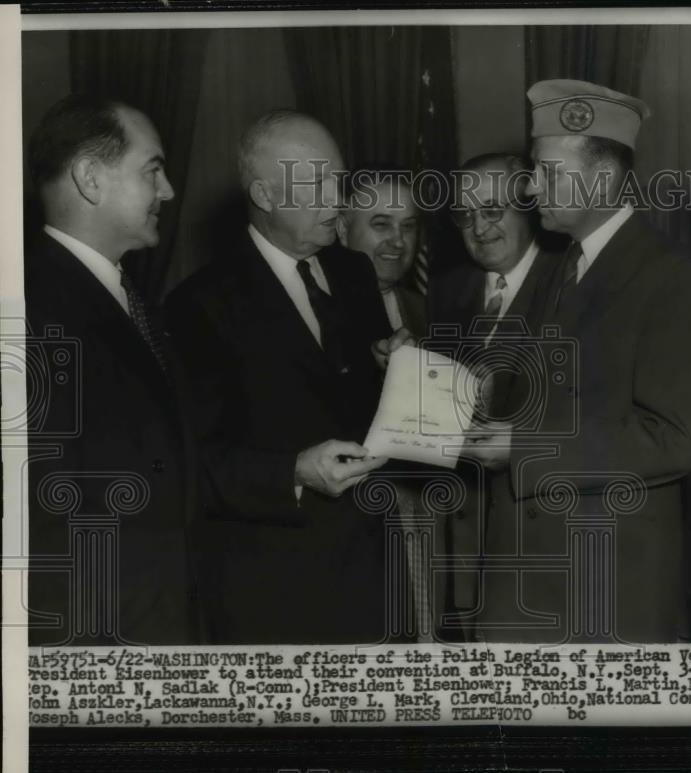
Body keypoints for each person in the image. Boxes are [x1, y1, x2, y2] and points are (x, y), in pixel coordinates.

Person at [463, 80, 691, 643]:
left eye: (548, 172)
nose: (531, 186)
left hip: (602, 590)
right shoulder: (556, 266)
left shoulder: (673, 276)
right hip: (521, 578)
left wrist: (522, 448)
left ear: (603, 179)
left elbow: (671, 438)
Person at [165, 109, 389, 644]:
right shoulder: (198, 305)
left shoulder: (356, 273)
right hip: (272, 587)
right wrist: (292, 471)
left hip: (373, 568)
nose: (337, 199)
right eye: (315, 183)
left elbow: (364, 406)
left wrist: (398, 372)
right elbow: (194, 464)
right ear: (264, 196)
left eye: (339, 179)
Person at [25, 94, 200, 645]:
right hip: (96, 643)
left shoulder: (129, 297)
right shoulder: (27, 309)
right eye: (153, 170)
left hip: (158, 622)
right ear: (91, 179)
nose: (168, 191)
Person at [426, 152, 563, 639]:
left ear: (528, 206)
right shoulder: (447, 289)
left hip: (537, 546)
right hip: (459, 546)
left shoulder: (570, 280)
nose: (479, 228)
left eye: (492, 210)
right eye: (464, 216)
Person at [339, 169, 427, 339]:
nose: (399, 241)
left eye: (408, 226)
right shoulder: (317, 307)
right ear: (343, 230)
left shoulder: (426, 312)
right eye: (381, 225)